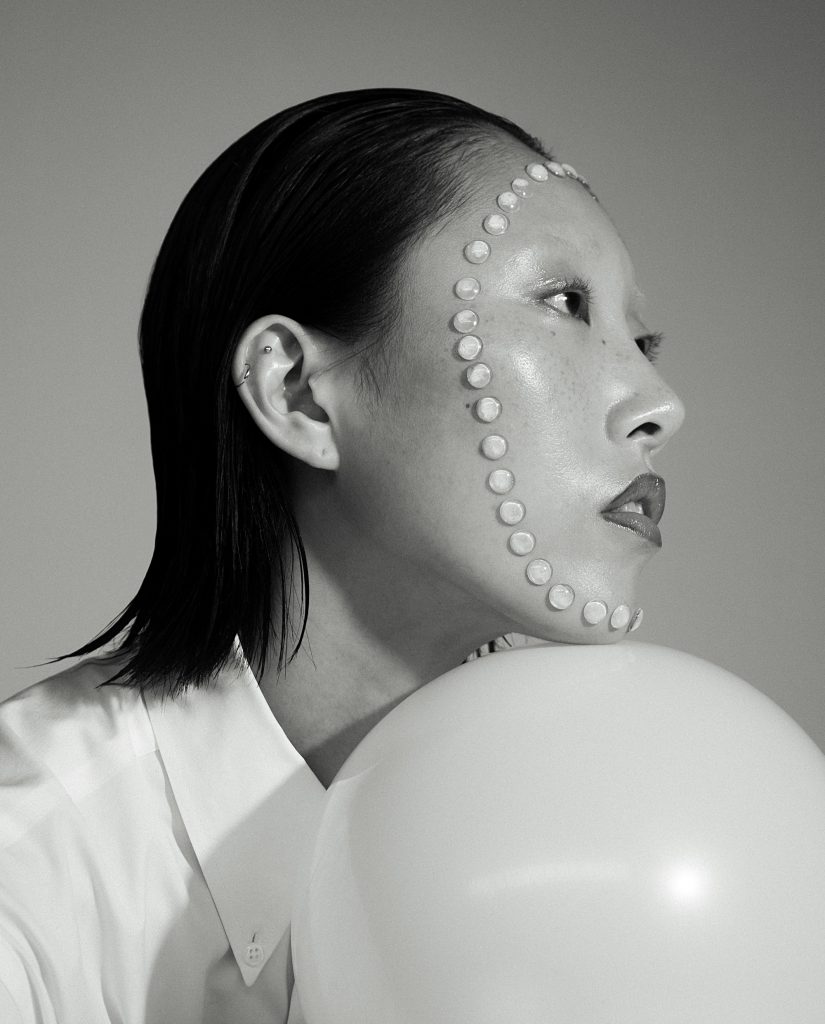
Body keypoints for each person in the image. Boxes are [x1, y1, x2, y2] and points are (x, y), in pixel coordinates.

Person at [0, 88, 685, 1023]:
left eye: (642, 341)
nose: (659, 403)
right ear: (298, 394)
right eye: (564, 304)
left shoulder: (613, 834)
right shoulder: (28, 875)